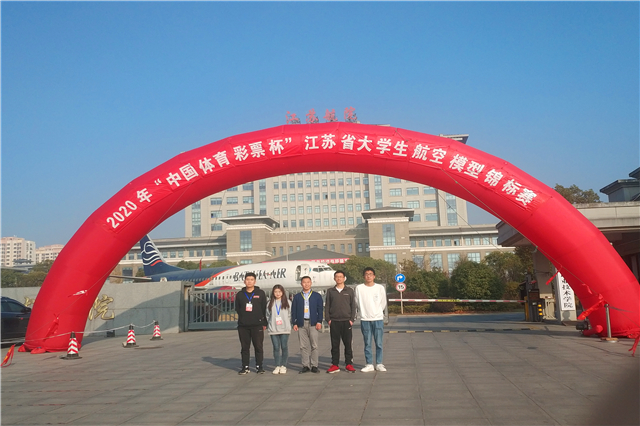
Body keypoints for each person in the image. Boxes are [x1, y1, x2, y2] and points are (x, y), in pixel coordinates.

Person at [355, 267, 387, 372]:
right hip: (365, 319)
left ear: (374, 276)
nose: (368, 276)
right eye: (366, 274)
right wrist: (364, 312)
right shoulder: (359, 288)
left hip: (378, 319)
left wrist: (377, 312)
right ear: (364, 276)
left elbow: (383, 302)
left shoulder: (380, 288)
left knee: (379, 343)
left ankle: (379, 363)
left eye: (370, 274)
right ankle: (369, 364)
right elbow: (356, 301)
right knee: (367, 343)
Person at [324, 270, 357, 373]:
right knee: (335, 344)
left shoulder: (349, 291)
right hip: (334, 321)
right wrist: (328, 319)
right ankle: (335, 364)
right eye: (337, 277)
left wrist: (351, 319)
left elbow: (353, 306)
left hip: (346, 321)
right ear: (334, 278)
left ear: (344, 278)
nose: (339, 278)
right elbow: (327, 306)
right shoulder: (330, 291)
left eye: (340, 276)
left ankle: (348, 364)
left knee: (348, 344)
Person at [235, 272, 267, 375]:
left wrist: (263, 322)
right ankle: (245, 367)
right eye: (247, 280)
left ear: (255, 281)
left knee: (258, 346)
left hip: (257, 325)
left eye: (251, 280)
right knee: (245, 347)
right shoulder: (240, 294)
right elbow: (238, 308)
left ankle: (259, 366)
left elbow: (264, 308)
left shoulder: (260, 293)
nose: (249, 281)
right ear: (244, 281)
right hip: (243, 326)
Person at [291, 275, 323, 373]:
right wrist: (294, 323)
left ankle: (314, 365)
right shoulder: (297, 297)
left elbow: (320, 310)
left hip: (313, 323)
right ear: (301, 284)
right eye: (304, 282)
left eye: (308, 282)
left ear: (311, 283)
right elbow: (293, 311)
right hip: (301, 323)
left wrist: (319, 321)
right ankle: (305, 365)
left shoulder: (316, 296)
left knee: (314, 345)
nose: (306, 284)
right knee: (303, 346)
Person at [267, 284, 292, 374]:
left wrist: (287, 323)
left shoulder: (288, 302)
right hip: (273, 329)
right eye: (276, 292)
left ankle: (283, 365)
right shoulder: (270, 303)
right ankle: (277, 365)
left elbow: (290, 314)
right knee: (276, 347)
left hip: (284, 328)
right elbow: (267, 315)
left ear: (283, 292)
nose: (277, 293)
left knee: (284, 346)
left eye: (279, 292)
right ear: (273, 293)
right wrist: (270, 324)